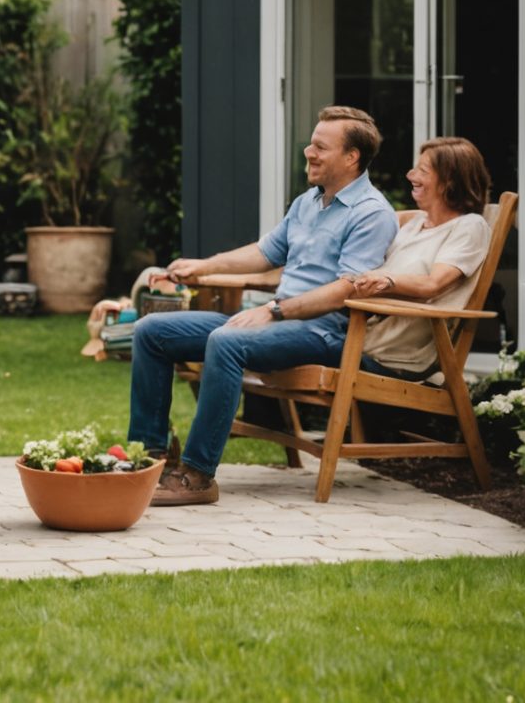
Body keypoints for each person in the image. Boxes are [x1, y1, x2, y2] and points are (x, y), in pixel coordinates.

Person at [131, 106, 398, 507]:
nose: (309, 152)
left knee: (226, 340)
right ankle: (148, 458)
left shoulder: (371, 213)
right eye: (311, 143)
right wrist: (203, 266)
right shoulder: (308, 202)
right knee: (151, 331)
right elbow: (264, 252)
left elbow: (346, 290)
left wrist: (274, 310)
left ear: (351, 157)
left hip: (325, 332)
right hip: (276, 321)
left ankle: (197, 476)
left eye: (320, 147)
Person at [346, 136, 495, 378]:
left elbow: (432, 285)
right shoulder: (415, 223)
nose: (410, 175)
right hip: (360, 340)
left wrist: (385, 279)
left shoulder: (469, 227)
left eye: (422, 170)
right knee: (284, 338)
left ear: (448, 182)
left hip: (394, 358)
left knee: (286, 344)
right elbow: (368, 220)